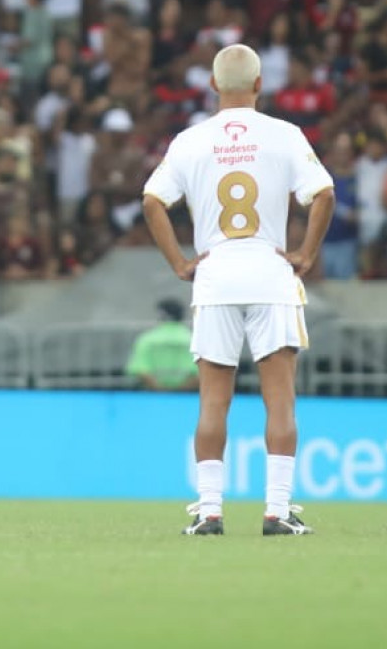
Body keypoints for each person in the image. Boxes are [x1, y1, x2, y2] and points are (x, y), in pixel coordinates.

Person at [141, 43, 334, 537]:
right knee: (280, 402)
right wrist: (306, 254)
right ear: (259, 85)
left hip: (216, 277)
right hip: (271, 276)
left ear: (212, 86)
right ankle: (277, 511)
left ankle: (209, 512)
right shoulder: (285, 135)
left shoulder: (190, 140)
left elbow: (152, 201)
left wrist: (180, 262)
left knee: (212, 403)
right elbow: (324, 193)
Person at [128, 299, 200, 391]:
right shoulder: (193, 339)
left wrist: (159, 389)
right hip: (188, 396)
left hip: (154, 395)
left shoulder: (147, 339)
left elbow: (140, 369)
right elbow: (201, 372)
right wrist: (180, 390)